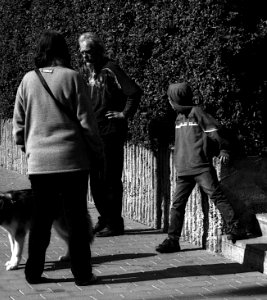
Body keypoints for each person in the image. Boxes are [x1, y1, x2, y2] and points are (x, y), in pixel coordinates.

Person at [13, 30, 103, 286]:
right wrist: (97, 153)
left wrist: (29, 149)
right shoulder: (73, 78)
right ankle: (83, 275)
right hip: (73, 161)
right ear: (63, 51)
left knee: (41, 220)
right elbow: (88, 122)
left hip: (39, 164)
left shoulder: (28, 80)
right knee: (76, 220)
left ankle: (33, 273)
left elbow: (18, 125)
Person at [156, 82, 245, 253]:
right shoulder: (178, 117)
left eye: (170, 99)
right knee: (177, 205)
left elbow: (215, 131)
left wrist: (224, 148)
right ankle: (172, 239)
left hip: (201, 167)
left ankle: (235, 227)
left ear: (177, 99)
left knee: (216, 195)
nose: (169, 102)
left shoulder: (196, 112)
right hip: (183, 170)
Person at [78, 32, 143, 237]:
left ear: (98, 50)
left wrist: (124, 114)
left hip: (110, 133)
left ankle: (115, 223)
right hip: (91, 133)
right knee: (95, 181)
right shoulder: (84, 72)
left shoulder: (110, 69)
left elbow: (133, 92)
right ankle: (104, 218)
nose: (85, 57)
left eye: (88, 52)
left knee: (110, 179)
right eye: (82, 53)